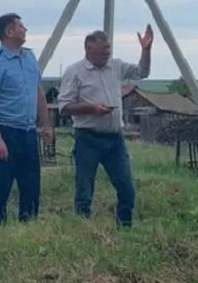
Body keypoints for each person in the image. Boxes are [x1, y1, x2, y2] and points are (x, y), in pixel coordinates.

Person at [58, 25, 153, 226]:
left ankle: (125, 229)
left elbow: (142, 72)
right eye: (102, 50)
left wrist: (146, 50)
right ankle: (84, 230)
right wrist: (91, 108)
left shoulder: (115, 66)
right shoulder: (74, 72)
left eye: (108, 49)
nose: (107, 54)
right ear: (88, 49)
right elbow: (64, 107)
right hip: (88, 138)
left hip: (115, 138)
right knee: (84, 190)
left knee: (126, 188)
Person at [0, 13, 54, 224]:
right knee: (2, 184)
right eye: (21, 27)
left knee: (31, 185)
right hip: (6, 130)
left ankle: (28, 226)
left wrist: (46, 124)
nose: (25, 30)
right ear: (8, 32)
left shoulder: (29, 58)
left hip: (28, 131)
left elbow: (38, 92)